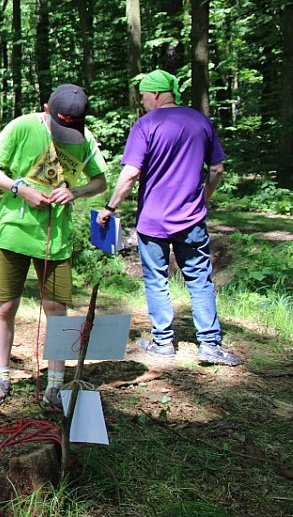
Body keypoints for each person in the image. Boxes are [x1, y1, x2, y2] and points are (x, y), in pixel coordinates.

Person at [0, 84, 108, 408]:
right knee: (5, 306)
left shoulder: (83, 137)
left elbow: (100, 181)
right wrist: (20, 188)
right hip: (14, 232)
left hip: (56, 239)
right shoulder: (22, 126)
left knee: (57, 311)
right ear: (46, 110)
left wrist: (74, 193)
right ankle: (1, 376)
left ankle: (56, 384)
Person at [97, 70, 240, 366]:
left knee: (156, 279)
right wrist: (204, 199)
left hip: (153, 220)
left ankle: (163, 342)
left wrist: (110, 208)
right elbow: (217, 170)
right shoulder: (200, 121)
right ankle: (210, 344)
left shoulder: (145, 125)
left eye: (145, 95)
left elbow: (131, 172)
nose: (142, 100)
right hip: (191, 218)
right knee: (200, 279)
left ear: (159, 94)